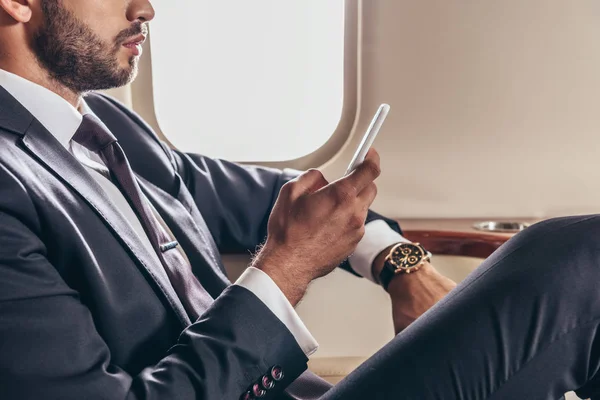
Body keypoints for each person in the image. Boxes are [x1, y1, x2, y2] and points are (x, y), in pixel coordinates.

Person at [0, 1, 599, 399]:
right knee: (572, 258)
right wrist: (285, 268)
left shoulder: (104, 122)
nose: (146, 8)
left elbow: (275, 198)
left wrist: (401, 266)